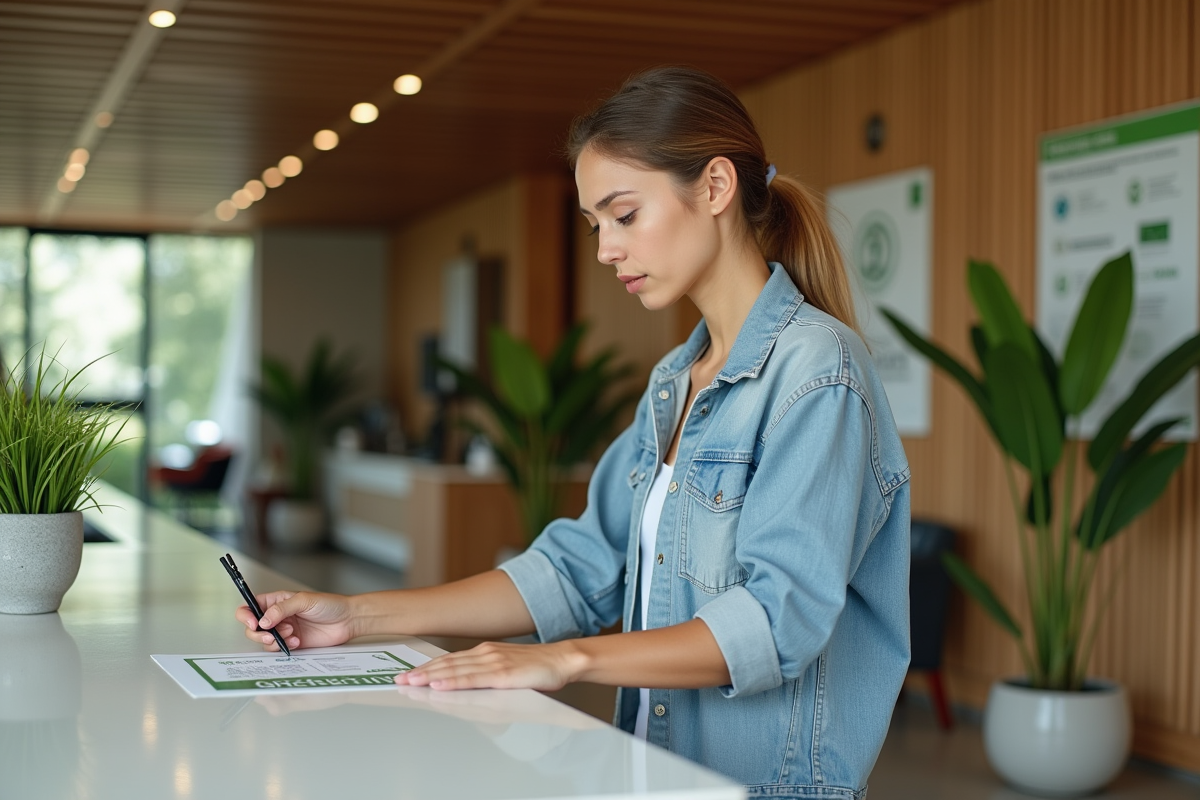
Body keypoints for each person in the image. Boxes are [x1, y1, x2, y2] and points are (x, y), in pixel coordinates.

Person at [238, 65, 911, 799]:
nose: (605, 250)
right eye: (596, 226)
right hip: (657, 774)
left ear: (715, 187)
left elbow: (777, 620)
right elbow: (577, 568)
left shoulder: (819, 371)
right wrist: (355, 618)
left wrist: (570, 661)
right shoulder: (674, 381)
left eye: (624, 216)